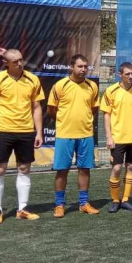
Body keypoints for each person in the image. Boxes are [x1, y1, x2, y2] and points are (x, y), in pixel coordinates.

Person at [0, 48, 44, 223]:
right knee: (0, 169)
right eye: (15, 61)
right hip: (3, 131)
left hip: (26, 131)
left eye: (21, 59)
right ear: (6, 63)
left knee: (24, 169)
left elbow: (36, 107)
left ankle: (22, 209)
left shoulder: (33, 79)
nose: (19, 63)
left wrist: (39, 132)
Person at [48, 54, 100, 217]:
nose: (83, 69)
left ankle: (84, 203)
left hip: (86, 134)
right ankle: (59, 205)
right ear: (71, 67)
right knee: (62, 170)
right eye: (80, 66)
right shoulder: (60, 85)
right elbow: (52, 109)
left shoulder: (92, 86)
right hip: (65, 134)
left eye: (85, 66)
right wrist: (64, 121)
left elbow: (94, 108)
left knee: (84, 169)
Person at [102, 62, 132, 212]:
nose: (130, 76)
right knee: (116, 168)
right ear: (120, 74)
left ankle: (126, 200)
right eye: (127, 74)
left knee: (131, 167)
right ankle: (115, 200)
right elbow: (106, 115)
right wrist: (109, 136)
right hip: (118, 138)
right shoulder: (111, 90)